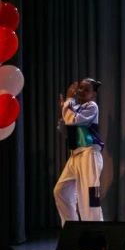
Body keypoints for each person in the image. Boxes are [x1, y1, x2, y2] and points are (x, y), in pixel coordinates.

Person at [53, 78, 104, 224]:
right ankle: (72, 227)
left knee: (90, 197)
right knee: (61, 191)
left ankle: (96, 231)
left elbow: (73, 120)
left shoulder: (92, 106)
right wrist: (63, 112)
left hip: (89, 154)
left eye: (86, 90)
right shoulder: (75, 107)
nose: (81, 91)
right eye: (80, 88)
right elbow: (65, 129)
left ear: (93, 94)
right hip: (75, 155)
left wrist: (68, 100)